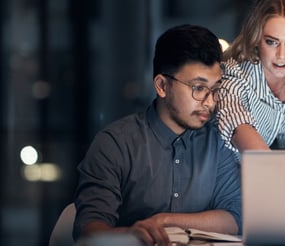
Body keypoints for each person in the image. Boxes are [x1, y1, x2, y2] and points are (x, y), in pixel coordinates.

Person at [73, 24, 241, 245]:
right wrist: (135, 234)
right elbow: (89, 232)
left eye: (215, 89)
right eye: (198, 88)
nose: (210, 102)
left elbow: (235, 216)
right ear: (162, 86)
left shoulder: (218, 141)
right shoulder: (115, 144)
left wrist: (165, 221)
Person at [217, 0, 285, 153]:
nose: (281, 55)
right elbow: (236, 123)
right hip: (225, 171)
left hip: (270, 167)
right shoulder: (235, 77)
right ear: (257, 39)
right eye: (272, 42)